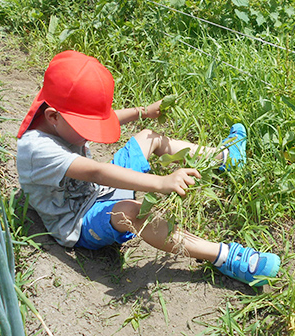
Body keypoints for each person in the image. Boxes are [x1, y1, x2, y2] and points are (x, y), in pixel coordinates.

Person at [16, 50, 280, 287]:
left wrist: (141, 112)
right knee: (132, 212)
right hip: (82, 221)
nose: (90, 136)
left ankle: (224, 158)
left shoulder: (57, 112)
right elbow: (95, 171)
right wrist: (161, 182)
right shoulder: (36, 150)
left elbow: (100, 119)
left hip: (99, 189)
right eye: (86, 131)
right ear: (53, 117)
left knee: (148, 137)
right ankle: (225, 257)